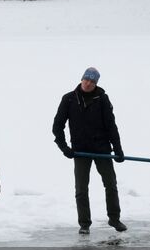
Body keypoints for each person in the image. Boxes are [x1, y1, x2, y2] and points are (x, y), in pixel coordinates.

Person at [52, 67, 127, 235]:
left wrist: (118, 148)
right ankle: (84, 223)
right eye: (86, 79)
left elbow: (111, 126)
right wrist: (64, 148)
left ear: (96, 84)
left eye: (92, 81)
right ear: (81, 79)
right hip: (80, 151)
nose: (88, 83)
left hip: (102, 150)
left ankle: (114, 219)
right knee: (81, 188)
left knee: (110, 184)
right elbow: (57, 126)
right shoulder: (69, 99)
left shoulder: (102, 99)